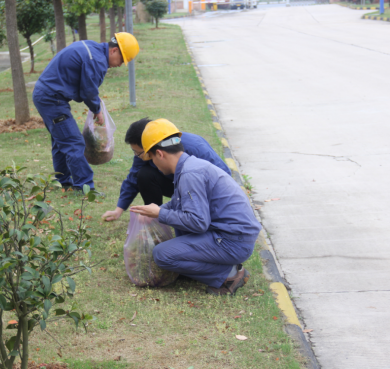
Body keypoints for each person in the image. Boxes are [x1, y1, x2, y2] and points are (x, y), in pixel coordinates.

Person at [130, 119, 262, 295]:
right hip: (232, 236)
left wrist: (161, 213)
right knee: (178, 231)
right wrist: (156, 210)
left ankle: (228, 275)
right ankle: (214, 266)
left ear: (160, 154)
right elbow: (180, 203)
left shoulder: (189, 174)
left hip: (233, 242)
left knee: (162, 254)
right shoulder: (189, 165)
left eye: (152, 158)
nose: (153, 164)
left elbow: (198, 222)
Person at [33, 33, 139, 191]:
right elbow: (88, 92)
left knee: (61, 141)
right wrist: (97, 110)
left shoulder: (92, 48)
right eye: (122, 60)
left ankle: (63, 181)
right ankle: (84, 187)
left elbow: (87, 86)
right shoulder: (96, 60)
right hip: (51, 99)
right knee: (74, 143)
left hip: (46, 95)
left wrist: (95, 104)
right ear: (114, 50)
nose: (120, 64)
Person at [101, 118, 231, 221]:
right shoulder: (144, 154)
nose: (138, 157)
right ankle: (154, 217)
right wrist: (118, 210)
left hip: (200, 190)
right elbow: (133, 177)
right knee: (144, 174)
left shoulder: (195, 147)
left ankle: (195, 216)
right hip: (176, 187)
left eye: (139, 153)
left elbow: (223, 176)